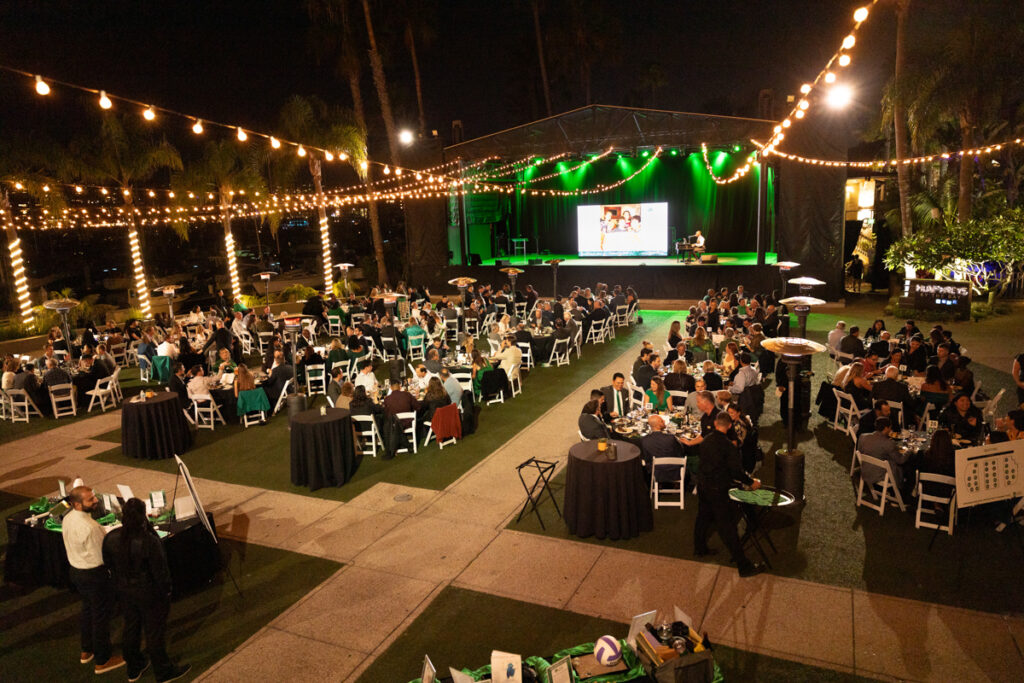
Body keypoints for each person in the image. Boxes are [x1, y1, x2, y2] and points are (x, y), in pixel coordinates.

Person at [102, 498, 190, 682]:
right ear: (143, 516)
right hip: (148, 592)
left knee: (131, 627)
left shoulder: (112, 537)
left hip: (125, 591)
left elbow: (108, 563)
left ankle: (134, 667)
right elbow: (160, 571)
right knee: (154, 633)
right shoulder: (148, 541)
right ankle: (163, 671)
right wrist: (166, 591)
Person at [62, 486, 126, 674]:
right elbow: (103, 554)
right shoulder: (90, 527)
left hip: (77, 571)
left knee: (88, 611)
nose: (95, 501)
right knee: (100, 618)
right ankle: (103, 660)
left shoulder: (68, 518)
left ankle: (86, 650)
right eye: (90, 500)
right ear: (77, 504)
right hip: (94, 575)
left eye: (93, 497)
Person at [693, 412, 763, 577]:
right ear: (729, 425)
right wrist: (751, 482)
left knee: (702, 517)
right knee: (727, 527)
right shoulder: (727, 446)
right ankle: (744, 566)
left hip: (703, 486)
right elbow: (736, 471)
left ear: (716, 424)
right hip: (717, 490)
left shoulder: (706, 441)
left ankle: (699, 548)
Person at [858, 417, 911, 492]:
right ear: (886, 428)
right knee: (906, 466)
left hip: (866, 471)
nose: (891, 430)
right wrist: (909, 450)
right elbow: (900, 460)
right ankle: (902, 491)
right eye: (890, 428)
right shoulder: (888, 443)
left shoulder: (863, 437)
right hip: (881, 476)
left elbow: (860, 451)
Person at [640, 414, 685, 483]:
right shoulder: (671, 438)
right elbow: (680, 452)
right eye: (662, 421)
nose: (664, 421)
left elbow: (646, 458)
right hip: (674, 470)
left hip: (655, 472)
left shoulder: (644, 440)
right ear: (658, 425)